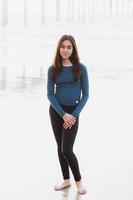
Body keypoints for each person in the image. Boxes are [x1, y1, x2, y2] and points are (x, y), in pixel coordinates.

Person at [47, 34, 89, 195]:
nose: (65, 50)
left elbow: (85, 95)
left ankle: (79, 182)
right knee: (60, 147)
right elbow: (50, 95)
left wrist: (73, 115)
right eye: (63, 47)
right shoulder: (53, 69)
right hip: (57, 111)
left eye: (69, 47)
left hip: (73, 112)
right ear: (59, 48)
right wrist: (63, 114)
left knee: (67, 149)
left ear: (73, 49)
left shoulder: (81, 68)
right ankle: (66, 180)